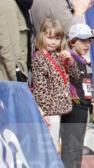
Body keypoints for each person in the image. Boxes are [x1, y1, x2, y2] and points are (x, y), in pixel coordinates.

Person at [61, 22, 94, 168]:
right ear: (72, 41)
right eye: (82, 41)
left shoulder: (84, 60)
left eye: (89, 41)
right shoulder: (68, 58)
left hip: (83, 105)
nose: (87, 45)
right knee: (71, 144)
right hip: (73, 106)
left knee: (77, 144)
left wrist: (92, 102)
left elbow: (88, 84)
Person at [31, 17, 73, 146]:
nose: (53, 42)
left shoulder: (59, 55)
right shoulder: (39, 57)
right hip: (50, 111)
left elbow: (75, 76)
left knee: (53, 145)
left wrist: (69, 62)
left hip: (59, 108)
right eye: (50, 38)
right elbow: (40, 87)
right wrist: (43, 111)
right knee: (50, 147)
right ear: (42, 36)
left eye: (57, 38)